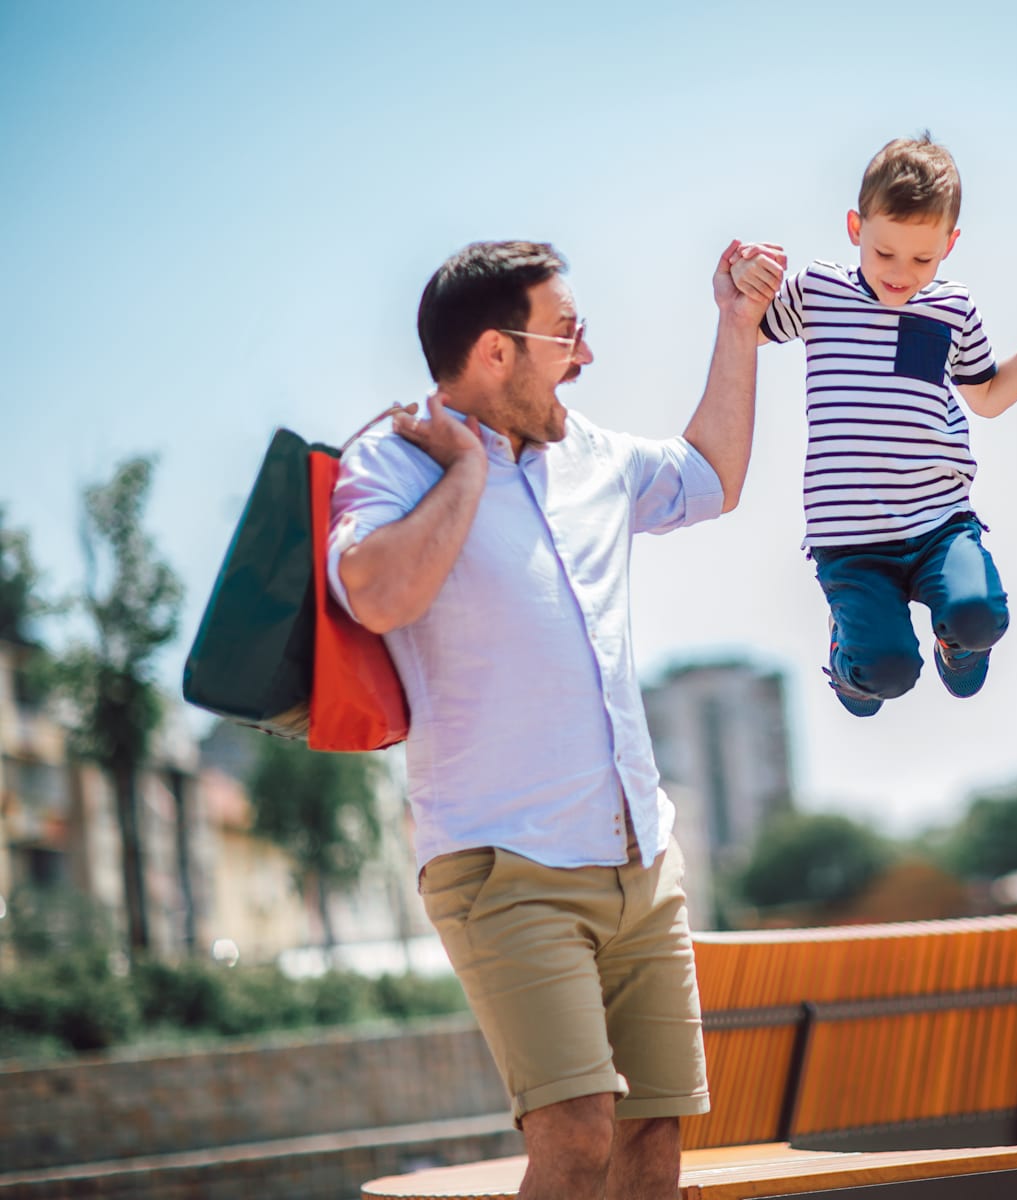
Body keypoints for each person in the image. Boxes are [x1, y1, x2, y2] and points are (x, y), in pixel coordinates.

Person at [325, 237, 784, 1200]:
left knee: (652, 1142)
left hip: (640, 862)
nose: (586, 356)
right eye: (568, 334)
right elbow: (375, 594)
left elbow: (713, 475)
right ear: (496, 351)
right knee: (576, 1142)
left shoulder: (599, 459)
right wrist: (462, 475)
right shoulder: (397, 457)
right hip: (504, 867)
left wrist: (736, 325)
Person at [732, 134, 1017, 715]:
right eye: (884, 252)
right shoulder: (819, 291)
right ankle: (853, 659)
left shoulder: (952, 310)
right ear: (855, 228)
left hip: (938, 523)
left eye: (922, 258)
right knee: (886, 675)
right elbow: (751, 324)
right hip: (851, 541)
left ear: (950, 243)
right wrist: (746, 271)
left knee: (980, 617)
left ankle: (956, 642)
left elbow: (987, 397)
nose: (900, 273)